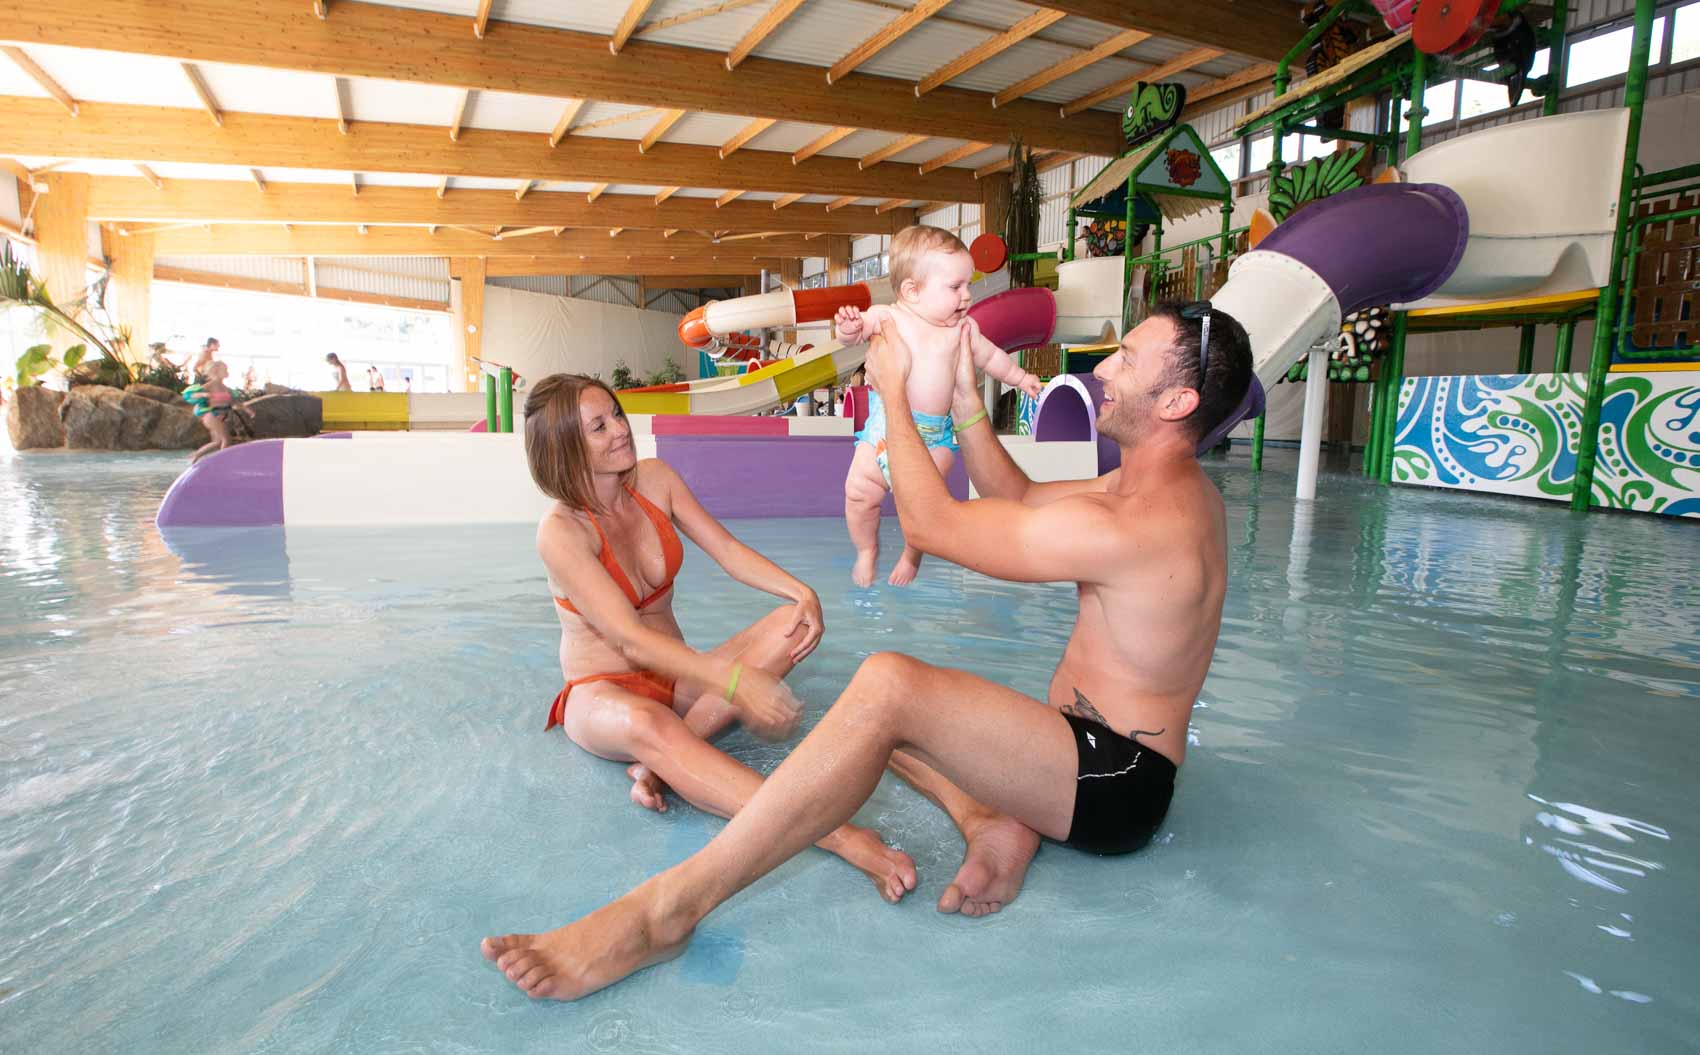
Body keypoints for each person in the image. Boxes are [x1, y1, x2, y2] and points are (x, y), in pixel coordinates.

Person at [480, 302, 1258, 1001]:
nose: (1101, 371)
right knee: (860, 711)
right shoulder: (1152, 491)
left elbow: (932, 527)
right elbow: (1016, 500)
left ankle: (665, 908)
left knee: (885, 688)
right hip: (1080, 751)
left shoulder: (1137, 523)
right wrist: (960, 399)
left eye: (1125, 358)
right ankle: (992, 814)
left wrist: (891, 396)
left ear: (1176, 402)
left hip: (1113, 779)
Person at [520, 374, 914, 898]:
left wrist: (800, 592)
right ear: (565, 450)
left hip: (679, 678)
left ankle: (664, 769)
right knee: (648, 723)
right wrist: (734, 683)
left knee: (790, 624)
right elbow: (630, 639)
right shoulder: (561, 533)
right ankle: (836, 835)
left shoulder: (656, 480)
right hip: (603, 695)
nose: (620, 429)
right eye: (598, 426)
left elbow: (726, 550)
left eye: (616, 413)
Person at [834, 225, 1044, 587]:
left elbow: (993, 357)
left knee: (926, 505)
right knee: (857, 492)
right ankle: (866, 550)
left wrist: (1020, 378)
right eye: (955, 287)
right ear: (911, 291)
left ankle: (912, 553)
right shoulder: (888, 317)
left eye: (968, 285)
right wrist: (849, 328)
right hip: (884, 427)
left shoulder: (963, 328)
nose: (966, 296)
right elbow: (852, 337)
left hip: (933, 434)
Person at [183, 361, 236, 463]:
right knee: (226, 439)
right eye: (225, 369)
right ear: (216, 371)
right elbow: (191, 395)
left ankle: (195, 456)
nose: (227, 371)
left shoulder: (224, 387)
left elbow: (231, 401)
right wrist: (203, 395)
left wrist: (245, 409)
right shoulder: (211, 385)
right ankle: (223, 462)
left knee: (217, 442)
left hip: (220, 416)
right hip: (212, 416)